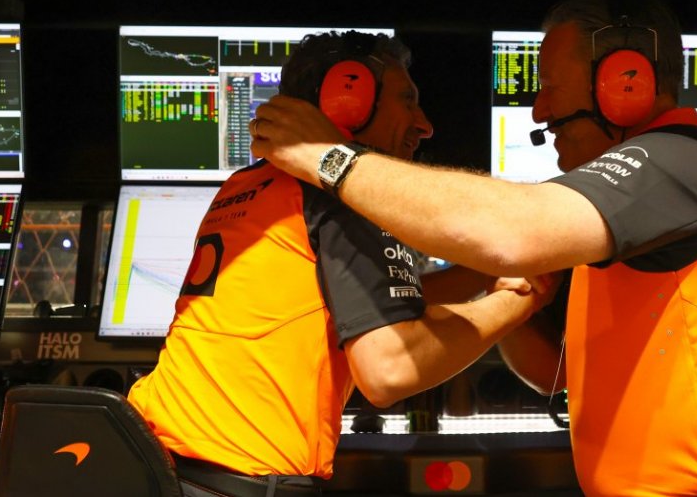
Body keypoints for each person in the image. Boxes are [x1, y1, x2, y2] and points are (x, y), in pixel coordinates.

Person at [250, 0, 697, 496]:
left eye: (549, 86)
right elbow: (556, 374)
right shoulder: (627, 213)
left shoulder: (682, 160)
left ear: (626, 80)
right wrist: (509, 299)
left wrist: (328, 157)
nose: (539, 111)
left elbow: (510, 234)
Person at [127, 30, 555, 497]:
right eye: (407, 101)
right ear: (348, 98)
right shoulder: (341, 195)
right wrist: (520, 299)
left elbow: (359, 301)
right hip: (240, 478)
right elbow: (390, 369)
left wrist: (485, 269)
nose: (424, 124)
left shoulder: (246, 185)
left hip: (161, 461)